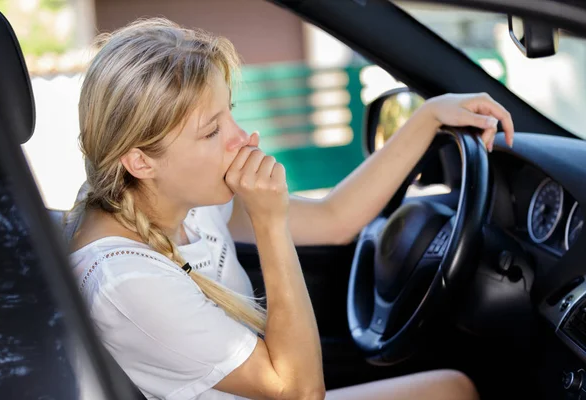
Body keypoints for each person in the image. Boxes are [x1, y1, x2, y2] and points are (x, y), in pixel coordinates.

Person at [67, 17, 513, 400]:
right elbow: (300, 390)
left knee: (452, 388)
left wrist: (428, 117)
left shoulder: (175, 202)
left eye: (231, 113)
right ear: (140, 161)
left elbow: (335, 218)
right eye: (210, 132)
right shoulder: (126, 283)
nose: (243, 138)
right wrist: (269, 221)